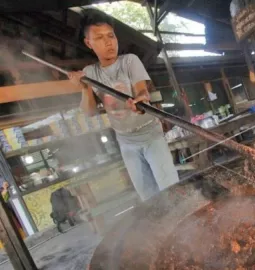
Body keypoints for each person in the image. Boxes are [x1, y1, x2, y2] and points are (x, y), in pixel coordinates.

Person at [67, 11, 179, 201]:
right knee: (148, 197)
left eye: (111, 36)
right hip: (126, 143)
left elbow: (142, 91)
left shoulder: (130, 61)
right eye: (99, 38)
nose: (109, 42)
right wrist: (84, 88)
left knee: (170, 188)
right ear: (88, 43)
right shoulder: (90, 73)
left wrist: (142, 101)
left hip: (150, 135)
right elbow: (90, 112)